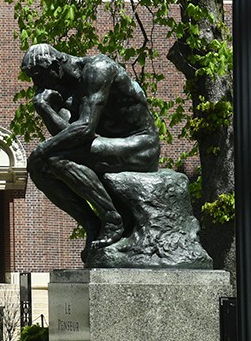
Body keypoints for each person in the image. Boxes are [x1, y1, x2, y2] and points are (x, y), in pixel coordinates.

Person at [22, 44, 161, 260]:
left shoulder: (98, 69)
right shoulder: (65, 89)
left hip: (139, 145)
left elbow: (85, 129)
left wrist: (42, 148)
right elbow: (67, 134)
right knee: (39, 167)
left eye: (39, 76)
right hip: (105, 144)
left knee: (52, 157)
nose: (37, 84)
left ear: (56, 66)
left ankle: (112, 217)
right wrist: (44, 108)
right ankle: (92, 224)